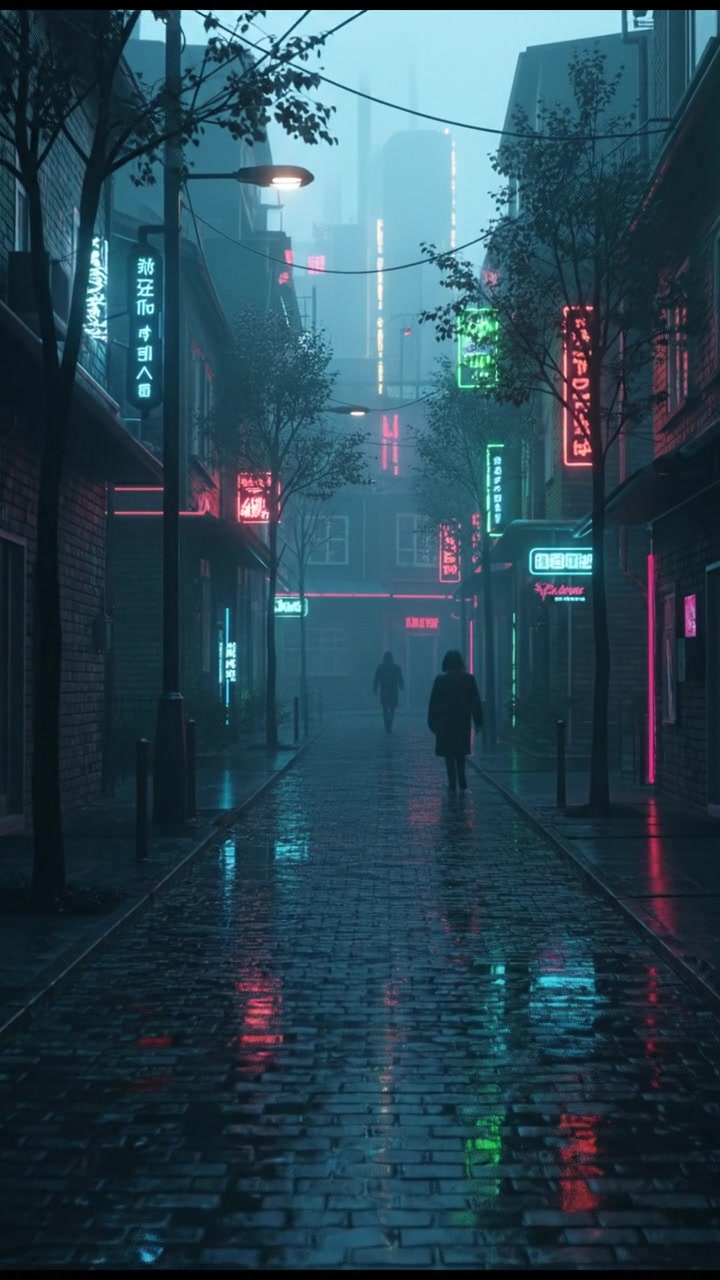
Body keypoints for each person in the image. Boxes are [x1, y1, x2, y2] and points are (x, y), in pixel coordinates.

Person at [427, 649, 483, 790]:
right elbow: (475, 702)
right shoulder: (468, 680)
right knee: (460, 753)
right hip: (462, 721)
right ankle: (462, 778)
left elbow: (433, 704)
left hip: (445, 723)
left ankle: (452, 782)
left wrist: (432, 723)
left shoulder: (440, 681)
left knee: (449, 754)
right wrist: (478, 721)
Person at [373, 650, 404, 732]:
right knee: (392, 710)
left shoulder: (380, 667)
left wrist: (375, 688)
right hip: (393, 692)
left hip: (384, 692)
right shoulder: (396, 667)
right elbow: (400, 678)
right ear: (392, 658)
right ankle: (389, 724)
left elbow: (376, 679)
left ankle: (387, 724)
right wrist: (401, 685)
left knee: (385, 710)